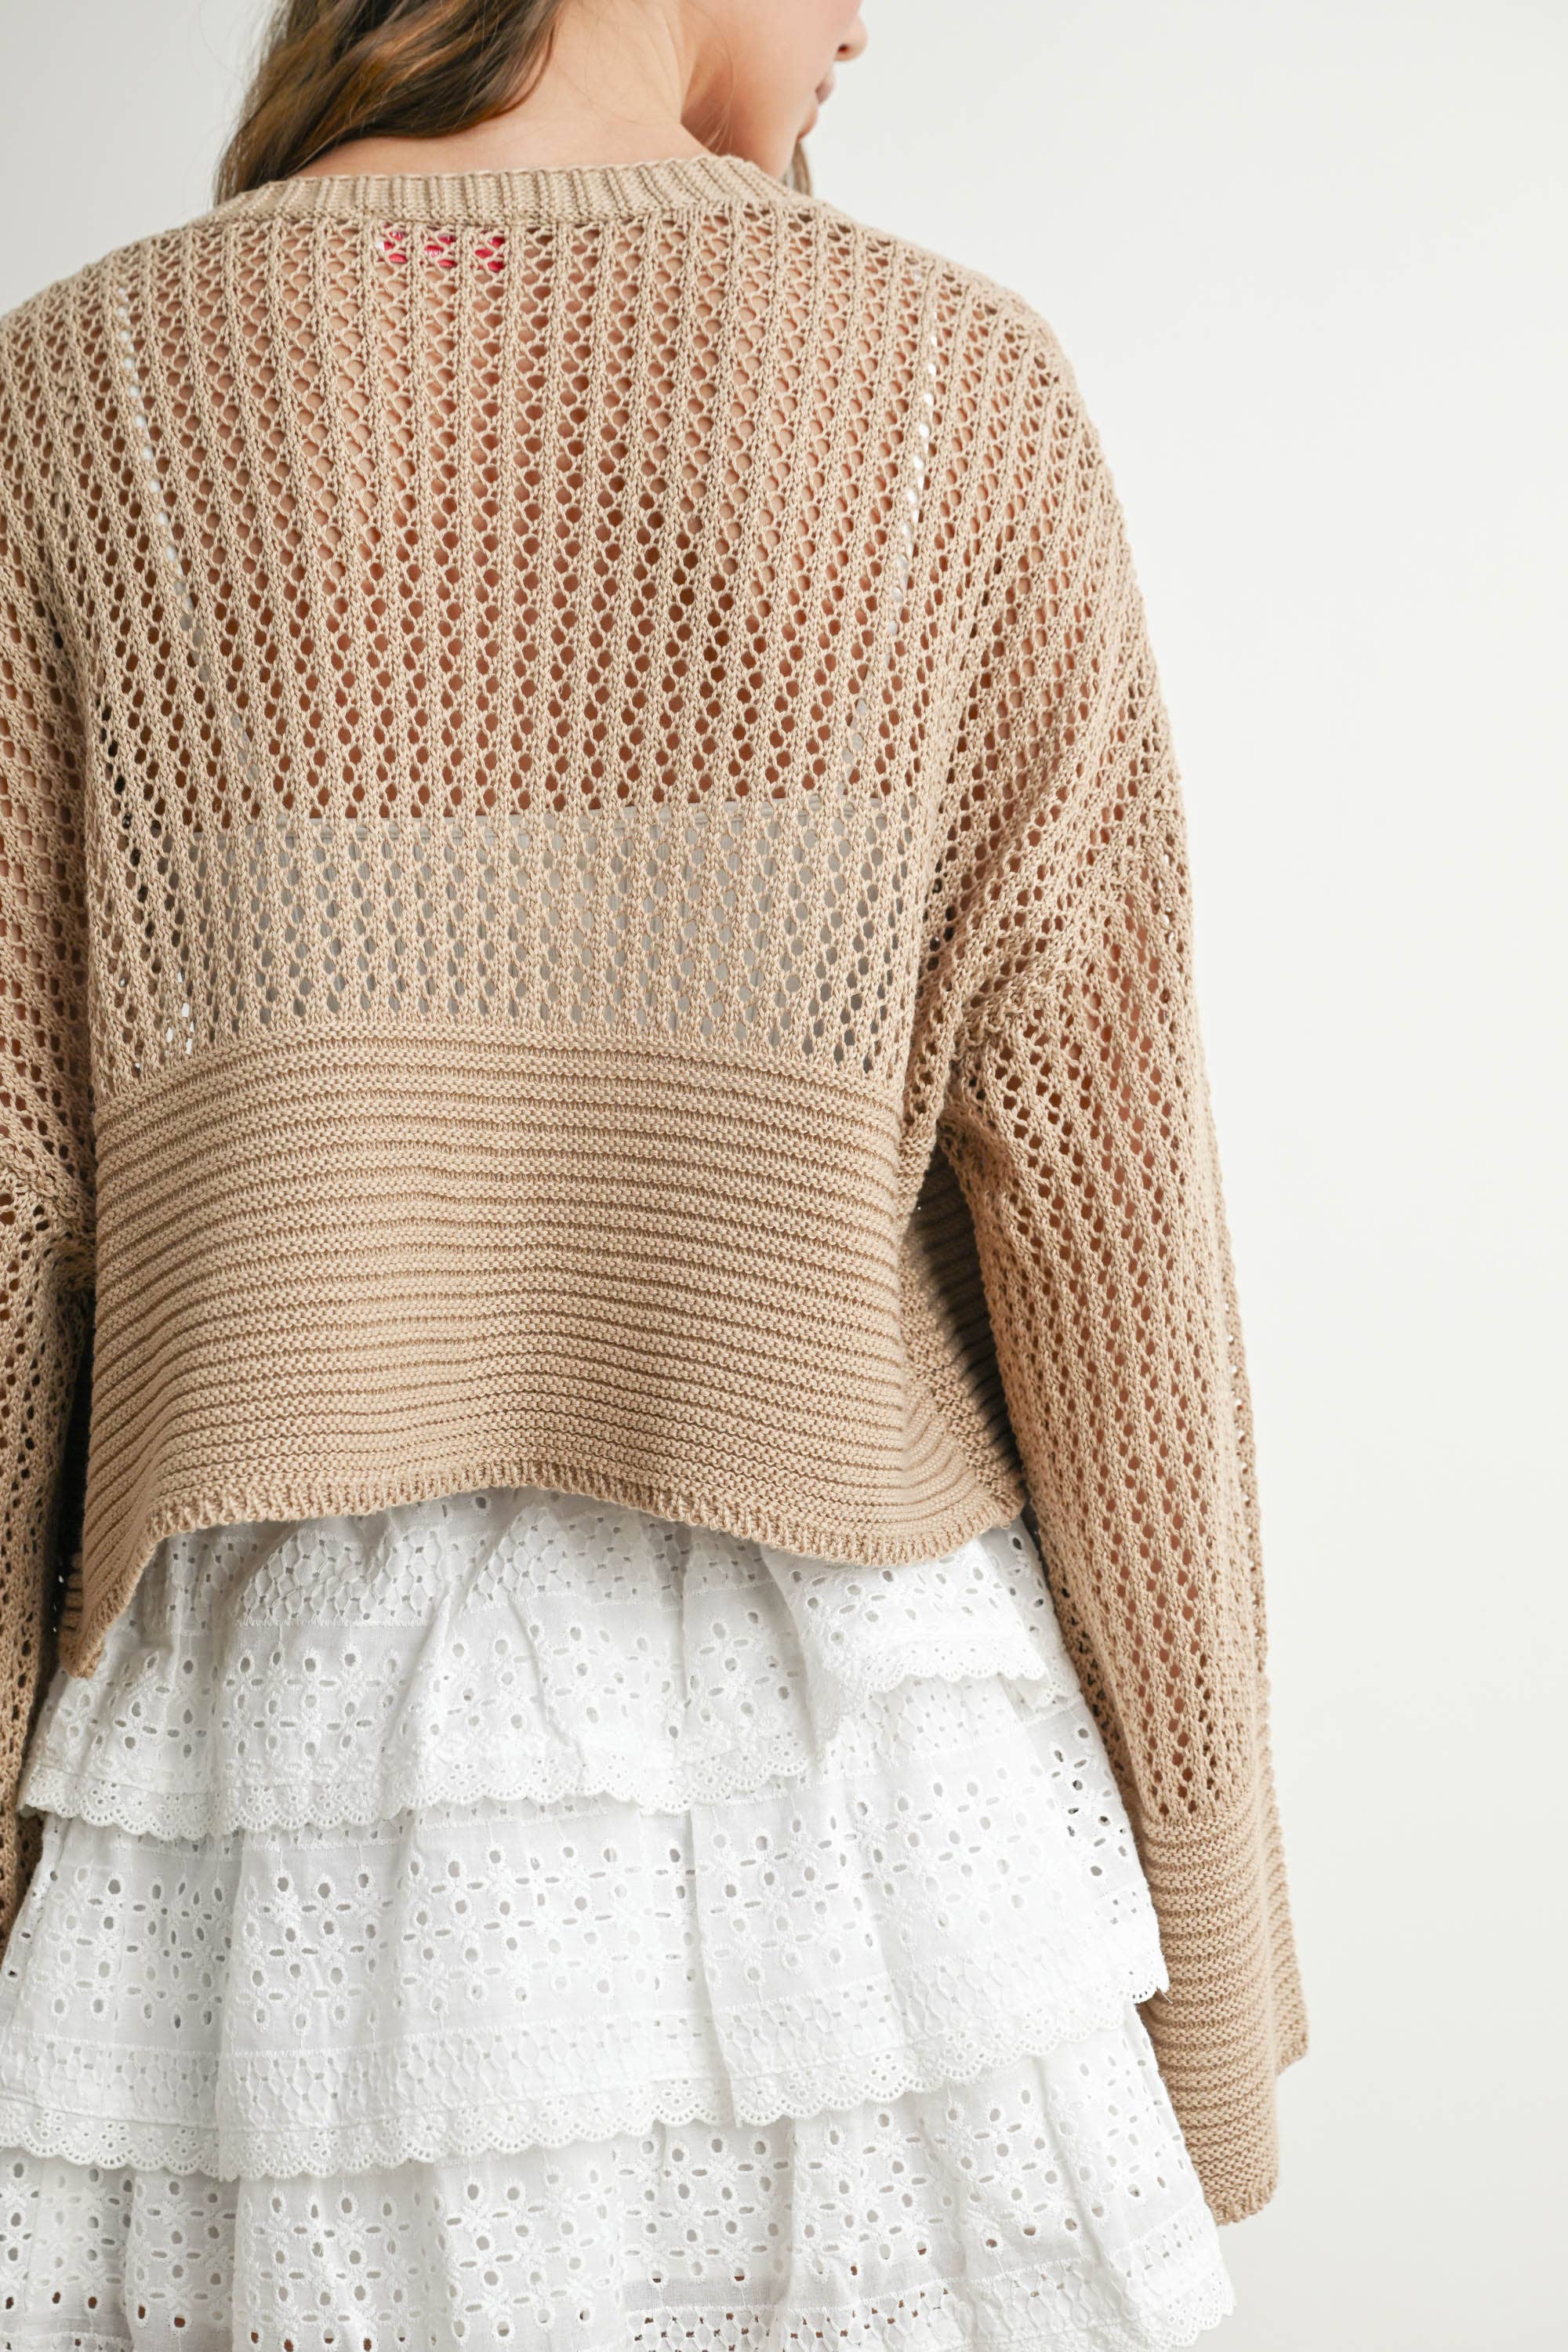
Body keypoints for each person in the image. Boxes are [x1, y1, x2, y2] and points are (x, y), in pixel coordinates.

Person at [0, 2, 1308, 2340]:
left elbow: (14, 1228)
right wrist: (1209, 1968)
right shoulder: (946, 386)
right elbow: (1107, 1225)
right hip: (864, 1842)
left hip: (272, 1837)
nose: (864, 21)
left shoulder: (83, 395)